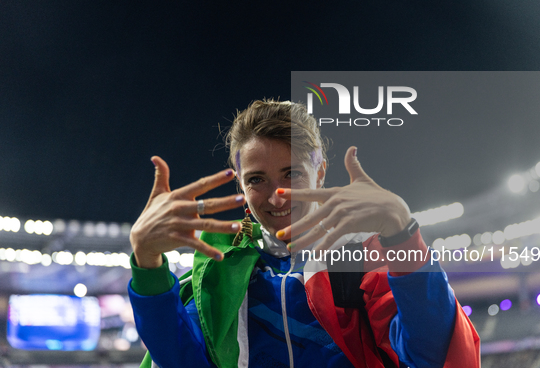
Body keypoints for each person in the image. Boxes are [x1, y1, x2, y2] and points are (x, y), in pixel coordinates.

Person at [128, 100, 480, 368]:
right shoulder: (220, 263)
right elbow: (180, 363)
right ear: (240, 183)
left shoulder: (358, 253)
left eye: (292, 173)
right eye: (256, 179)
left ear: (320, 171)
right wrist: (147, 265)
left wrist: (403, 233)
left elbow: (436, 356)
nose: (276, 194)